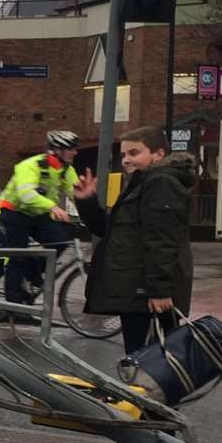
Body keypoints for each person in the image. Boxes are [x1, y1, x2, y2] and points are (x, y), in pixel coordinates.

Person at [74, 126, 194, 359]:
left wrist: (159, 290)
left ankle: (144, 395)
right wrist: (87, 201)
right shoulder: (142, 182)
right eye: (123, 155)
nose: (126, 160)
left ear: (158, 154)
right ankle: (140, 394)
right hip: (137, 290)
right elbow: (108, 230)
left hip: (147, 293)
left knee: (150, 361)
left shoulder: (161, 183)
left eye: (134, 153)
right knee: (144, 359)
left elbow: (163, 240)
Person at [0, 131, 82, 304]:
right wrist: (52, 206)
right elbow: (25, 194)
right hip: (14, 212)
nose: (75, 152)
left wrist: (89, 211)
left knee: (60, 241)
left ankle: (33, 273)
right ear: (57, 150)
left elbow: (76, 194)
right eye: (71, 149)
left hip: (37, 213)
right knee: (17, 257)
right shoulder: (30, 166)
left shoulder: (66, 170)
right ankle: (14, 305)